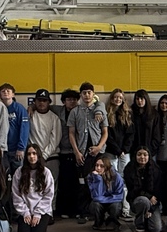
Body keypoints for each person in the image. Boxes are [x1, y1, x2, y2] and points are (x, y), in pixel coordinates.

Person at [68, 82, 109, 218]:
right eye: (84, 93)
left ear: (93, 94)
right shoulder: (75, 112)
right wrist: (76, 152)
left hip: (98, 153)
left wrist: (99, 147)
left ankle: (98, 211)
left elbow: (105, 132)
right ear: (80, 95)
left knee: (100, 181)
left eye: (89, 92)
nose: (86, 95)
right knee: (83, 183)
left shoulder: (100, 110)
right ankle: (83, 212)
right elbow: (71, 133)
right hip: (82, 153)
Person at [11, 143, 54, 232]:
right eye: (29, 154)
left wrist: (38, 213)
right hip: (25, 211)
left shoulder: (46, 172)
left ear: (38, 155)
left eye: (34, 153)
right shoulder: (19, 172)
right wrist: (25, 212)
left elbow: (48, 195)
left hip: (42, 211)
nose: (32, 156)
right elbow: (16, 194)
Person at [123, 146, 162, 232]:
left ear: (149, 156)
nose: (142, 157)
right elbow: (133, 190)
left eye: (145, 155)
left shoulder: (156, 169)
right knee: (143, 201)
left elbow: (159, 191)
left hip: (153, 203)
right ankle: (139, 223)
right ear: (135, 156)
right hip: (137, 200)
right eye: (139, 154)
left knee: (156, 228)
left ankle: (147, 217)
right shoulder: (129, 169)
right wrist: (149, 196)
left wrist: (151, 209)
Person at [54, 88, 80, 218]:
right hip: (63, 151)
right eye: (69, 100)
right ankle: (63, 210)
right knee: (64, 182)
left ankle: (76, 210)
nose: (72, 102)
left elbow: (98, 104)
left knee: (77, 182)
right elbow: (42, 105)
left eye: (74, 99)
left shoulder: (81, 111)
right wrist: (31, 108)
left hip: (78, 151)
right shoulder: (59, 110)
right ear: (64, 101)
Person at [28, 89, 62, 185]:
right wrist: (36, 156)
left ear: (49, 102)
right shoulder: (30, 115)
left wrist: (44, 156)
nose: (42, 103)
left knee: (51, 188)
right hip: (33, 158)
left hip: (51, 158)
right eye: (39, 100)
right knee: (33, 187)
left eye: (44, 100)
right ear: (35, 102)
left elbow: (55, 140)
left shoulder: (54, 118)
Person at [86, 155, 126, 232]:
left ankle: (112, 221)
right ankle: (99, 223)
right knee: (95, 205)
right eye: (96, 165)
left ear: (107, 167)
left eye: (101, 166)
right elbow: (96, 196)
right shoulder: (91, 177)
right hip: (103, 201)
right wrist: (98, 179)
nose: (98, 168)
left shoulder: (117, 177)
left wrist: (104, 199)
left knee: (116, 206)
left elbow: (119, 196)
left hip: (113, 201)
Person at [0, 83, 29, 175]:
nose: (6, 93)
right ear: (0, 95)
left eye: (8, 91)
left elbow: (24, 129)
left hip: (16, 150)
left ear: (13, 94)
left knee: (18, 175)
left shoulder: (19, 108)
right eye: (3, 91)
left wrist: (21, 148)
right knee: (3, 175)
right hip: (2, 149)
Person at [104, 88, 133, 175]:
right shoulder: (106, 114)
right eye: (116, 97)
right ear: (112, 99)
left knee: (125, 174)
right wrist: (117, 150)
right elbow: (107, 135)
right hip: (111, 151)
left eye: (120, 97)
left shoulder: (128, 114)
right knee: (112, 175)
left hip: (125, 152)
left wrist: (124, 149)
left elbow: (130, 134)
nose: (118, 99)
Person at [129, 89, 157, 158]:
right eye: (137, 99)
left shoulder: (154, 114)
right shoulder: (130, 113)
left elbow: (157, 134)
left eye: (142, 98)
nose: (139, 101)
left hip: (150, 152)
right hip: (134, 152)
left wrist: (150, 150)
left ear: (146, 99)